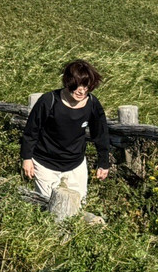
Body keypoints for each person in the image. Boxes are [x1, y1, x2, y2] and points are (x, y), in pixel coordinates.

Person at [20, 60, 110, 201]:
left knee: (78, 205)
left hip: (76, 164)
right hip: (45, 163)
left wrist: (104, 162)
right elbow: (31, 131)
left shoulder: (92, 103)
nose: (82, 90)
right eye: (78, 85)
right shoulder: (49, 101)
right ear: (68, 82)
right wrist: (27, 158)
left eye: (86, 86)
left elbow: (100, 134)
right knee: (49, 205)